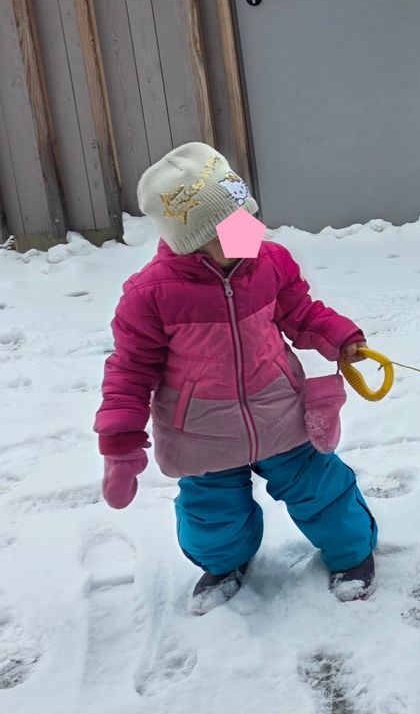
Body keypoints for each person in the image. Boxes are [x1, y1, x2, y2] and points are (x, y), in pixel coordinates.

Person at [93, 143, 379, 613]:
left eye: (248, 214)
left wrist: (339, 335)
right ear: (194, 237)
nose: (253, 228)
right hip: (202, 430)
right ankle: (223, 564)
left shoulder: (270, 264)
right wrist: (120, 442)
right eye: (234, 225)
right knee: (211, 513)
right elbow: (129, 368)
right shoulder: (152, 296)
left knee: (321, 489)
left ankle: (352, 555)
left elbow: (300, 312)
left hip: (278, 410)